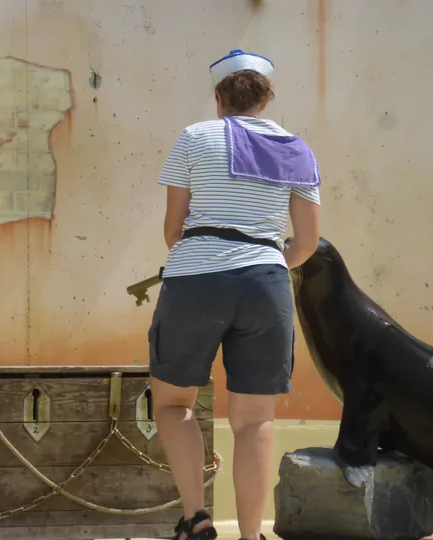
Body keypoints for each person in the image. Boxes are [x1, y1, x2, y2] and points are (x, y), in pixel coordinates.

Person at [147, 49, 321, 540]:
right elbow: (305, 243)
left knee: (174, 403)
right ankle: (250, 535)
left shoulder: (195, 137)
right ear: (266, 98)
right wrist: (263, 263)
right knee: (254, 419)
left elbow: (173, 229)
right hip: (266, 281)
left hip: (196, 275)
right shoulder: (298, 148)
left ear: (220, 96)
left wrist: (206, 262)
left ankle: (196, 517)